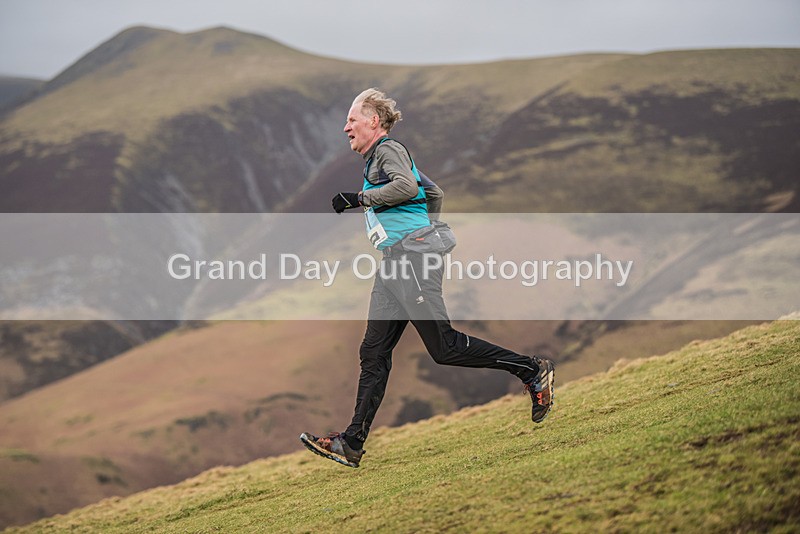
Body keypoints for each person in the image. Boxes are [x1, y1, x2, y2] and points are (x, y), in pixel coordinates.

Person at [300, 88, 554, 468]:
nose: (345, 126)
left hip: (413, 261)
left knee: (445, 347)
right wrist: (423, 229)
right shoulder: (377, 159)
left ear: (373, 121)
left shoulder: (388, 151)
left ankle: (533, 370)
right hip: (395, 263)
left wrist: (361, 200)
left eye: (352, 120)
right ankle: (351, 442)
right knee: (373, 352)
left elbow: (406, 187)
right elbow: (433, 192)